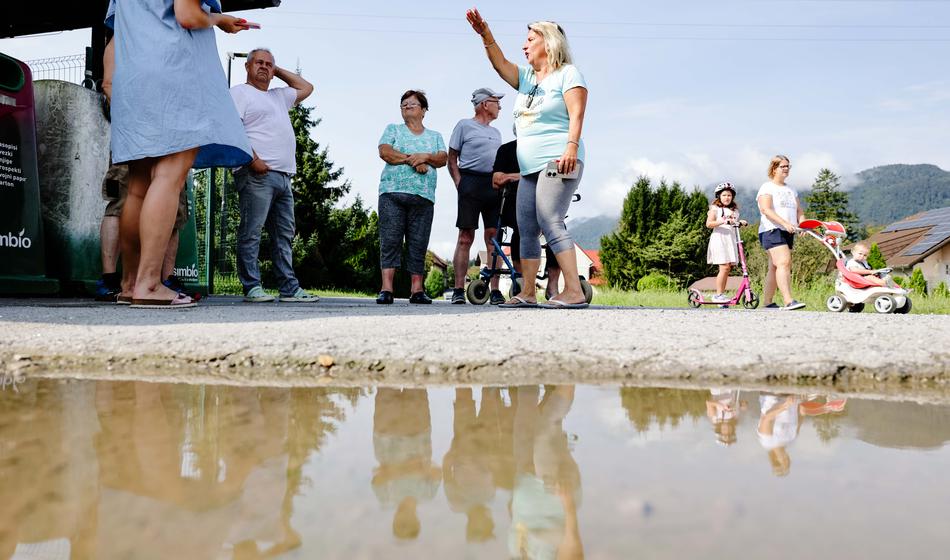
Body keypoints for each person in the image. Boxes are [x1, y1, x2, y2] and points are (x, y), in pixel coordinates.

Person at [106, 0, 253, 308]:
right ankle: (149, 283)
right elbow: (188, 15)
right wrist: (219, 19)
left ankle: (130, 283)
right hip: (172, 71)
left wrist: (111, 82)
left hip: (133, 76)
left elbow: (115, 37)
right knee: (169, 174)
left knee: (136, 188)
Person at [466, 9, 590, 309]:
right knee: (525, 226)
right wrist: (485, 34)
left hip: (559, 158)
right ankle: (528, 293)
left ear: (548, 43)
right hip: (529, 167)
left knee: (550, 219)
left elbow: (577, 113)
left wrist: (571, 146)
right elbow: (500, 65)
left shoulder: (568, 73)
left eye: (530, 39)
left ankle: (573, 290)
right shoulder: (527, 80)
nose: (524, 45)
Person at [230, 48, 319, 304]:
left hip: (284, 177)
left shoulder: (279, 96)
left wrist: (276, 70)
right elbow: (234, 129)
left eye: (269, 64)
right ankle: (252, 286)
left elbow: (307, 87)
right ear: (247, 67)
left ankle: (289, 288)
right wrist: (253, 159)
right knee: (252, 231)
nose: (264, 67)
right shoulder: (239, 93)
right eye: (259, 63)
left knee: (284, 235)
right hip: (255, 173)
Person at [375, 90, 448, 305]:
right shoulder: (393, 129)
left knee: (418, 243)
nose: (407, 106)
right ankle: (386, 289)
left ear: (424, 110)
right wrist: (414, 160)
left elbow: (442, 158)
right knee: (390, 240)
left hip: (423, 197)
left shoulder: (434, 136)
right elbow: (385, 152)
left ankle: (417, 290)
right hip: (392, 194)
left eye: (412, 103)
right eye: (403, 104)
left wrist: (426, 156)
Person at [449, 88, 506, 305]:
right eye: (496, 102)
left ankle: (495, 290)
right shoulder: (464, 125)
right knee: (465, 237)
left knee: (494, 238)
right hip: (470, 183)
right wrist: (459, 183)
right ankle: (457, 289)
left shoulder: (497, 132)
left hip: (493, 184)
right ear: (484, 104)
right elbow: (452, 158)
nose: (499, 106)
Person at [492, 139, 563, 300]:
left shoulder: (547, 148)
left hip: (546, 200)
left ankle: (553, 286)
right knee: (521, 227)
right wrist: (527, 175)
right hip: (514, 201)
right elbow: (496, 180)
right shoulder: (507, 150)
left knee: (556, 229)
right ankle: (523, 281)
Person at [757, 155, 806, 310]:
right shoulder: (767, 187)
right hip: (771, 230)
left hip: (788, 231)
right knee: (784, 262)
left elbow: (799, 210)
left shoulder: (791, 190)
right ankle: (788, 300)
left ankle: (768, 302)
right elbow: (766, 209)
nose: (786, 169)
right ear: (774, 168)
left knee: (775, 267)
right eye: (782, 166)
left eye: (788, 166)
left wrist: (803, 224)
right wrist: (785, 223)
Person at [705, 182, 746, 303]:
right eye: (724, 195)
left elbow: (733, 223)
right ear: (719, 196)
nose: (727, 197)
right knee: (723, 267)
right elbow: (709, 224)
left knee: (727, 268)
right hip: (719, 239)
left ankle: (721, 294)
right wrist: (722, 221)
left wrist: (740, 222)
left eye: (729, 195)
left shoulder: (735, 211)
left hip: (730, 239)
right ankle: (718, 295)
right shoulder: (715, 209)